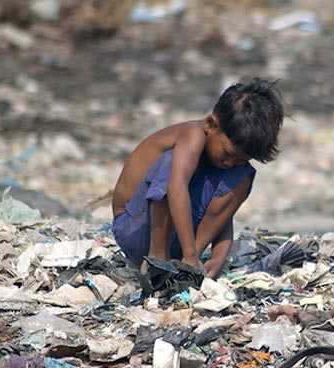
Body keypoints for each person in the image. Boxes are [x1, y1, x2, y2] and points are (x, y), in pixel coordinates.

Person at [112, 78, 284, 278]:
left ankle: (187, 266)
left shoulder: (224, 160)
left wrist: (218, 256)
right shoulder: (193, 134)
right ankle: (158, 258)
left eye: (240, 159)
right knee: (170, 164)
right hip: (134, 228)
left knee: (242, 175)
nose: (230, 163)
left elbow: (223, 213)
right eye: (228, 154)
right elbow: (176, 186)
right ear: (211, 124)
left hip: (178, 242)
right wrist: (190, 253)